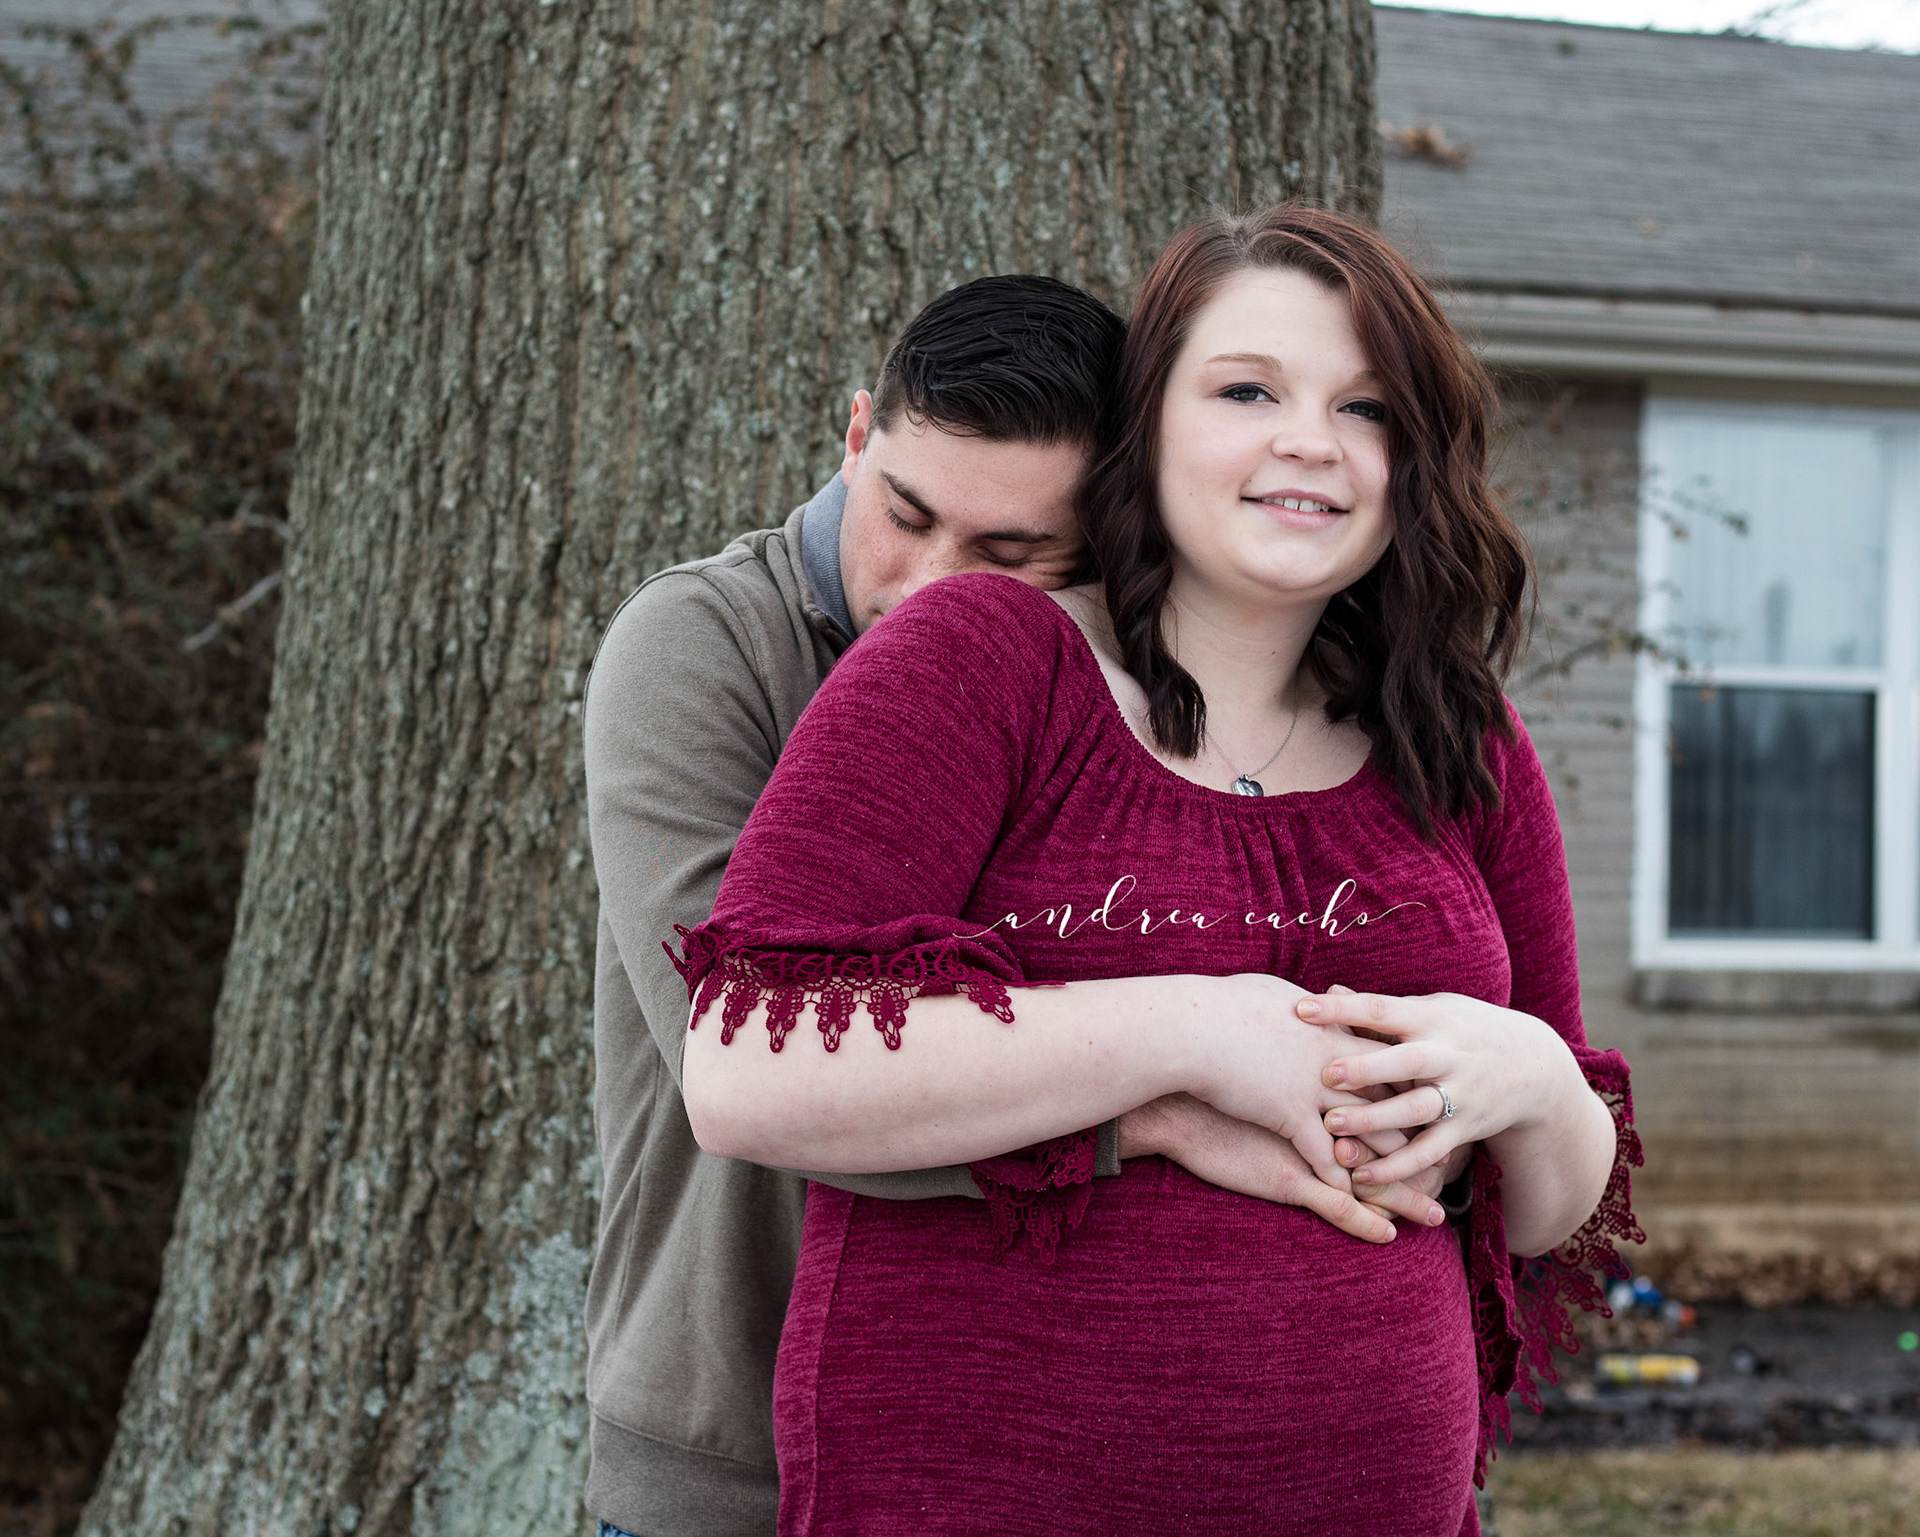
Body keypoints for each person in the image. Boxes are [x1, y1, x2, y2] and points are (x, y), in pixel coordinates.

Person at [674, 206, 1641, 1535]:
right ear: (1148, 427)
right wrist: (1192, 1032)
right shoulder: (981, 661)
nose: (1311, 440)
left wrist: (1528, 1076)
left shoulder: (1457, 738)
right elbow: (744, 1062)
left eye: (1365, 406)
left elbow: (1549, 1209)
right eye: (1249, 390)